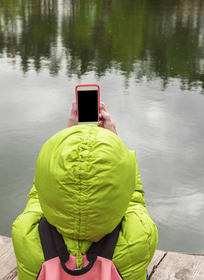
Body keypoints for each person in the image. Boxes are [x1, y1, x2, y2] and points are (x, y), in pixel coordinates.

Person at [12, 101, 158, 280]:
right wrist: (117, 144)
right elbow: (133, 198)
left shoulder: (25, 234)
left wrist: (63, 141)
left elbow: (39, 194)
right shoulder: (140, 236)